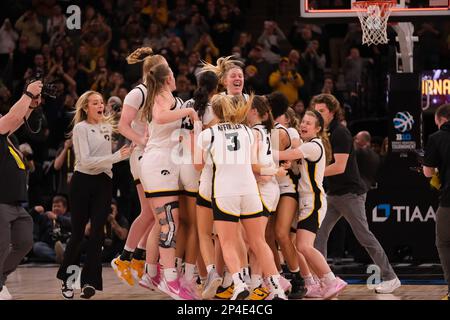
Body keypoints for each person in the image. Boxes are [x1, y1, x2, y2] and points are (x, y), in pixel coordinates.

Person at [196, 94, 287, 300]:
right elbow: (254, 163)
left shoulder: (207, 134)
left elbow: (199, 166)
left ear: (215, 113)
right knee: (259, 242)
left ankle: (238, 284)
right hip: (249, 190)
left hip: (225, 191)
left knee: (227, 242)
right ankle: (276, 288)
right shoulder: (248, 130)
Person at [312, 93, 401, 294]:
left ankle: (391, 277)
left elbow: (340, 166)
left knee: (364, 236)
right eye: (316, 111)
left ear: (332, 112)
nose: (318, 115)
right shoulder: (323, 133)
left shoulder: (340, 133)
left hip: (351, 194)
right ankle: (323, 280)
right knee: (319, 234)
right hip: (334, 193)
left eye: (322, 111)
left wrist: (313, 172)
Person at [56, 91, 131, 300]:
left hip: (103, 183)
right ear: (86, 107)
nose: (100, 105)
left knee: (97, 233)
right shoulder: (80, 128)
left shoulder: (107, 127)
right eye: (95, 103)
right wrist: (116, 157)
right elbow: (87, 161)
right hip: (82, 181)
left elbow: (107, 161)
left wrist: (116, 162)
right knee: (79, 234)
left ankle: (90, 282)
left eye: (101, 102)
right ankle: (68, 281)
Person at [139, 63, 198, 300]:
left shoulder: (167, 96)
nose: (176, 76)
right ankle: (170, 279)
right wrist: (189, 112)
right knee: (168, 223)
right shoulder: (160, 97)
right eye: (173, 73)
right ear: (167, 79)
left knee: (162, 223)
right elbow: (161, 117)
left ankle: (152, 273)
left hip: (165, 162)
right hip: (159, 163)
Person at [277, 110, 348, 299]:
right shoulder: (308, 145)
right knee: (299, 245)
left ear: (318, 129)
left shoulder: (313, 146)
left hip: (313, 201)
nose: (304, 125)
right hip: (304, 201)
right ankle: (313, 282)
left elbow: (289, 153)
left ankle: (331, 280)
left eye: (309, 123)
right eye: (303, 122)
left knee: (305, 245)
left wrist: (263, 153)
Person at [112, 47, 166, 287]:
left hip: (155, 156)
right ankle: (127, 257)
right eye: (165, 67)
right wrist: (143, 140)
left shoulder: (158, 94)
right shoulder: (138, 93)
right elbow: (123, 126)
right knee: (154, 212)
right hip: (142, 156)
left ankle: (133, 256)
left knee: (152, 213)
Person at [0, 80, 42, 300]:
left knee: (24, 242)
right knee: (1, 247)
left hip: (17, 204)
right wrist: (27, 94)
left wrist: (31, 106)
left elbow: (15, 121)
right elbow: (12, 119)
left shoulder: (7, 140)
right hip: (1, 202)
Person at [180, 70, 220, 299]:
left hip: (182, 164)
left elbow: (179, 134)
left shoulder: (187, 103)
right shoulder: (214, 107)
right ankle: (205, 276)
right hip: (201, 167)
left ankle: (201, 277)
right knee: (205, 228)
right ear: (217, 88)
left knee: (193, 225)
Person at [423, 103, 450, 300]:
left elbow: (428, 171)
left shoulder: (436, 137)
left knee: (444, 243)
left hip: (449, 200)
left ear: (439, 119)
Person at [32, 195, 71, 263]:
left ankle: (62, 256)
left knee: (70, 244)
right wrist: (34, 210)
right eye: (54, 206)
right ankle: (59, 258)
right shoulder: (46, 217)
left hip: (65, 244)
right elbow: (32, 218)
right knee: (37, 246)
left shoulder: (69, 216)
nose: (56, 208)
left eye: (58, 206)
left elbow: (72, 223)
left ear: (65, 208)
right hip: (51, 245)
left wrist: (57, 218)